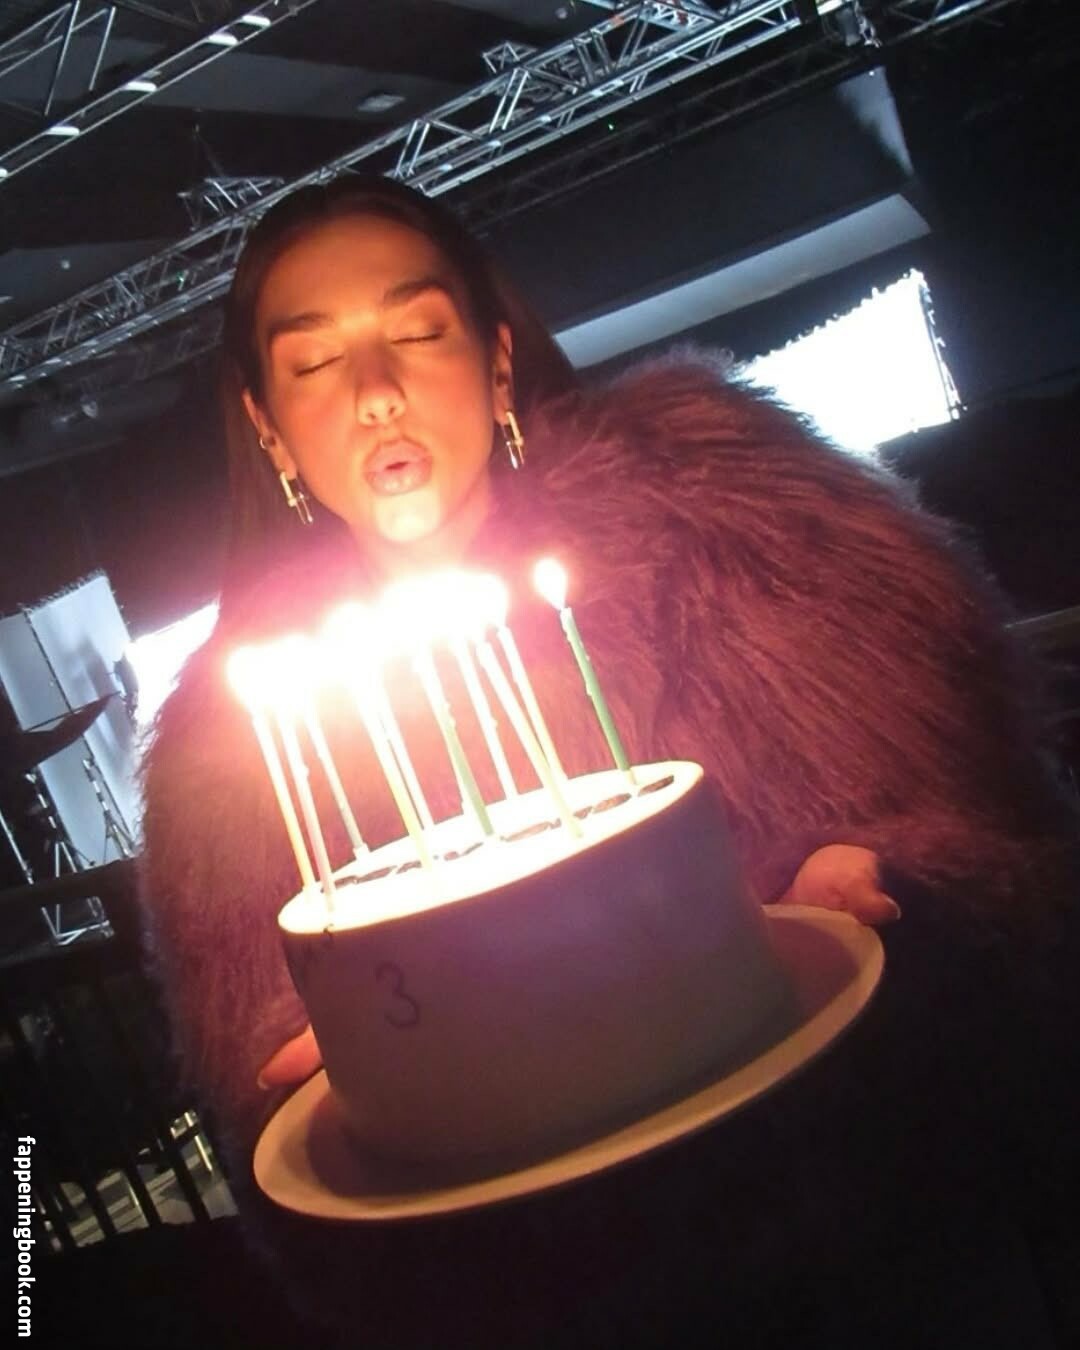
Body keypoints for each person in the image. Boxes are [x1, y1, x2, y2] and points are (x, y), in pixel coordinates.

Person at [138, 176, 1075, 1347]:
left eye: (418, 333)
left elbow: (964, 821)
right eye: (317, 362)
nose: (376, 393)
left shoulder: (728, 523)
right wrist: (360, 1081)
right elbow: (288, 1086)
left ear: (496, 360)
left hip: (888, 1242)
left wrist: (887, 893)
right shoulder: (237, 755)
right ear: (269, 427)